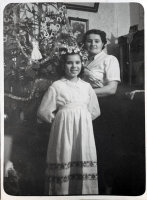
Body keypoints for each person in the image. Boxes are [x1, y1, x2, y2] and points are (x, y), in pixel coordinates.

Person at [37, 48, 101, 195]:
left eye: (77, 62)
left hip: (83, 133)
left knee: (83, 157)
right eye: (69, 63)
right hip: (63, 132)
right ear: (63, 65)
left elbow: (95, 110)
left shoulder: (87, 87)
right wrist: (61, 121)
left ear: (82, 64)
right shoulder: (57, 86)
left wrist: (82, 119)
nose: (74, 66)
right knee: (64, 157)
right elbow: (43, 112)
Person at [82, 29, 121, 194]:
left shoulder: (110, 59)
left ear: (103, 43)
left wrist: (83, 92)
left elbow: (111, 89)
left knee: (103, 147)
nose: (92, 44)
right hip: (86, 108)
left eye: (96, 41)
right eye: (89, 41)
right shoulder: (83, 63)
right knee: (88, 147)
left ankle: (107, 188)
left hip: (106, 108)